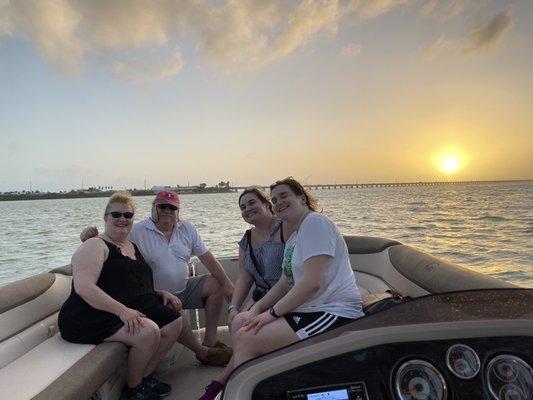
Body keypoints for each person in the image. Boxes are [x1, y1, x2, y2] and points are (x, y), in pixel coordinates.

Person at [201, 177, 364, 399]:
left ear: (302, 197)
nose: (278, 202)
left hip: (333, 311)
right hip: (308, 308)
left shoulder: (316, 223)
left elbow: (311, 283)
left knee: (246, 338)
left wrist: (270, 314)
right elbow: (285, 282)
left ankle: (228, 385)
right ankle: (236, 383)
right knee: (242, 323)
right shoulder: (296, 236)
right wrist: (255, 311)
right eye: (275, 199)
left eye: (284, 196)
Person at [80, 190, 234, 366]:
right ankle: (202, 353)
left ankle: (210, 340)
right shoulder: (136, 230)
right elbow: (110, 238)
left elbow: (207, 257)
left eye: (172, 207)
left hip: (184, 288)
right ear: (153, 207)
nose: (167, 211)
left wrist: (228, 285)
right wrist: (88, 238)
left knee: (217, 282)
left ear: (178, 211)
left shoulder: (187, 228)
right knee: (172, 311)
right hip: (155, 295)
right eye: (162, 206)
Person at [59, 192, 183, 400]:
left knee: (174, 322)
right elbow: (84, 287)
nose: (122, 219)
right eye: (116, 214)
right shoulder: (95, 245)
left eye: (128, 215)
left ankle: (144, 378)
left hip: (115, 307)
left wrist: (159, 292)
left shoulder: (131, 247)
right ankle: (133, 390)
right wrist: (123, 312)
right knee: (148, 331)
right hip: (86, 315)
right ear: (105, 217)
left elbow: (132, 282)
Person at [200, 187, 290, 400]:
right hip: (261, 295)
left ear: (267, 204)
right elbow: (244, 276)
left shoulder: (285, 229)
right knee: (237, 320)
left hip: (285, 293)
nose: (247, 209)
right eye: (243, 207)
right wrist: (232, 307)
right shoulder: (247, 239)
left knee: (244, 325)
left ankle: (226, 378)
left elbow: (290, 277)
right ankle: (245, 371)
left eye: (252, 203)